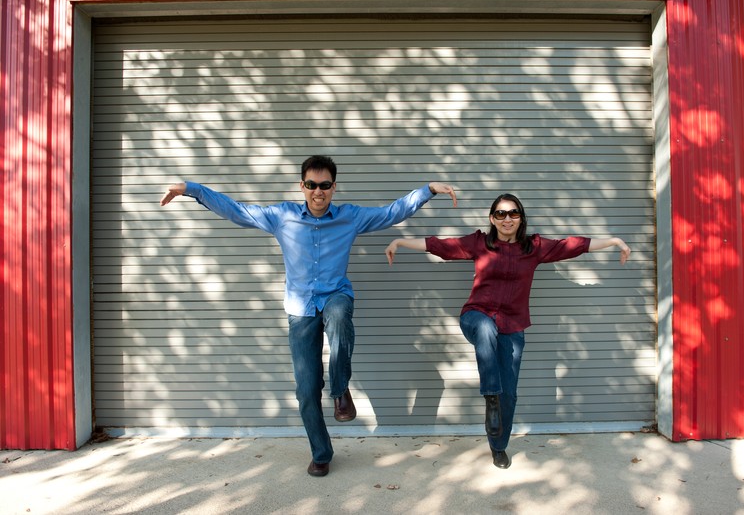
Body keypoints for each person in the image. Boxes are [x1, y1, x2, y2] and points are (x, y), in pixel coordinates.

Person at [160, 155, 457, 477]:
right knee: (305, 389)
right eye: (312, 185)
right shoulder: (281, 216)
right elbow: (237, 210)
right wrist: (191, 189)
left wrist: (427, 190)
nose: (319, 191)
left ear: (333, 187)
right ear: (302, 186)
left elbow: (391, 212)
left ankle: (340, 389)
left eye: (325, 185)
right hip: (299, 308)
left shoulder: (350, 217)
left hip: (335, 294)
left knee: (340, 315)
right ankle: (321, 453)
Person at [384, 193, 630, 469]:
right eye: (500, 214)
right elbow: (441, 245)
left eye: (513, 213)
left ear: (520, 218)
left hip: (513, 326)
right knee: (487, 331)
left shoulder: (533, 247)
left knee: (509, 393)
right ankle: (490, 397)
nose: (507, 218)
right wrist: (401, 241)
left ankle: (498, 445)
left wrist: (613, 241)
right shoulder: (480, 243)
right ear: (492, 219)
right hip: (476, 316)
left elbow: (570, 245)